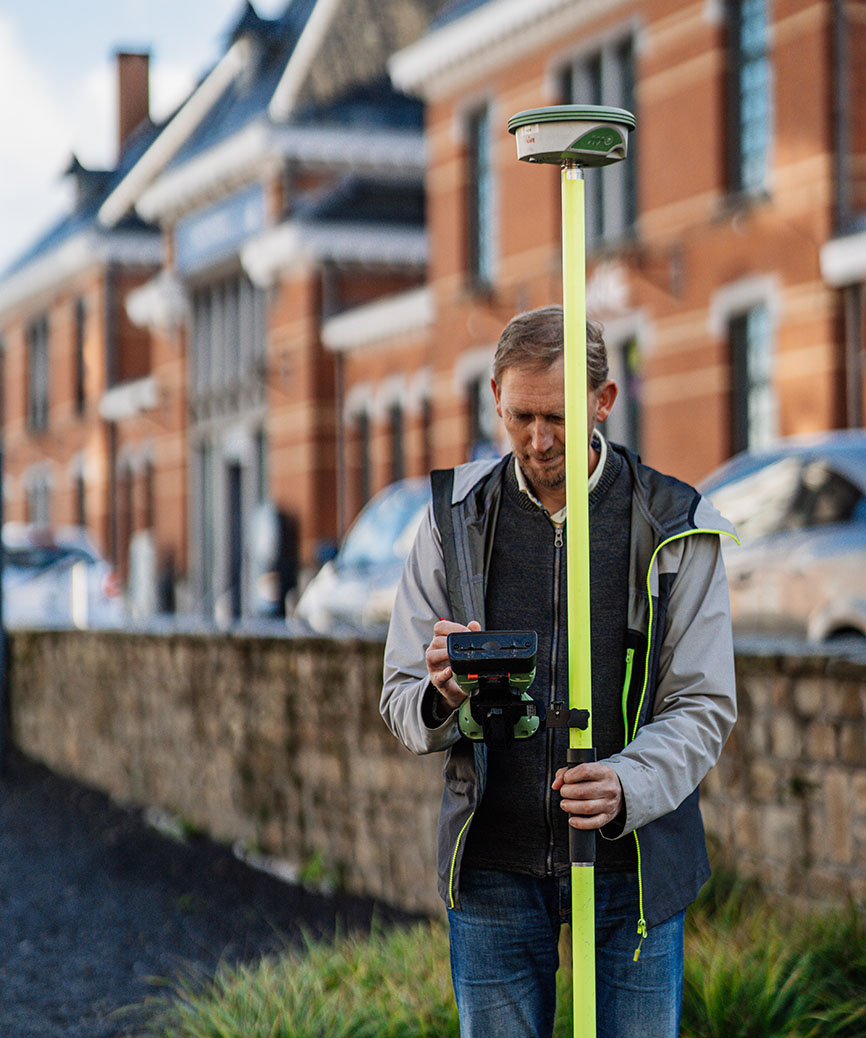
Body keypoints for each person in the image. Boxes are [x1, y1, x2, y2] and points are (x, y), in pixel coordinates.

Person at [380, 305, 737, 1038]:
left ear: (604, 402)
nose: (538, 441)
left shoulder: (675, 522)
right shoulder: (452, 518)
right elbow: (399, 700)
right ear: (495, 399)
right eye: (520, 417)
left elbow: (704, 704)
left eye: (558, 417)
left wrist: (626, 783)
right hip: (492, 866)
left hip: (631, 866)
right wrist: (442, 695)